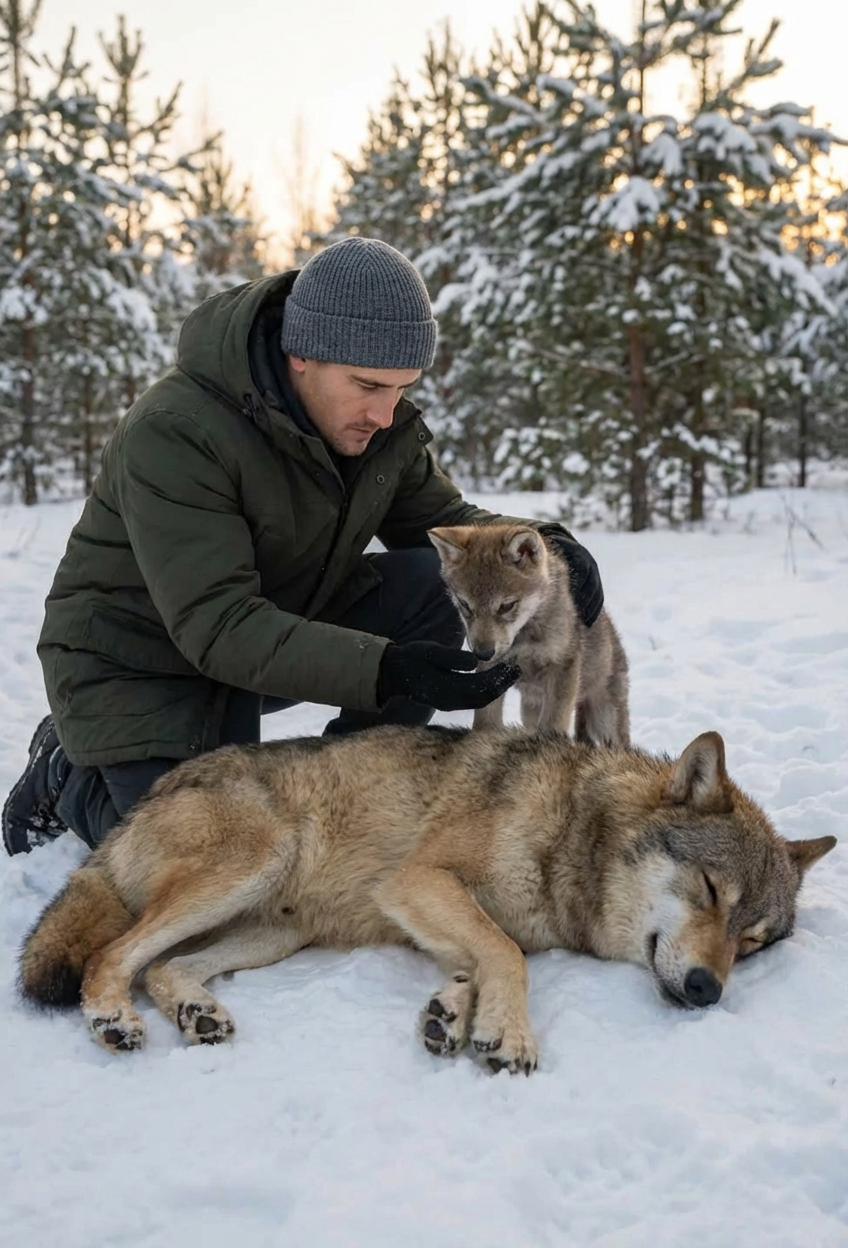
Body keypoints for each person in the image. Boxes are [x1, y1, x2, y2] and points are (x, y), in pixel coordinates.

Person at [3, 237, 603, 856]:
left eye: (401, 388)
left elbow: (451, 525)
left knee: (431, 579)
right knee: (206, 855)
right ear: (301, 355)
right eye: (368, 385)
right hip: (139, 666)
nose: (385, 411)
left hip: (263, 634)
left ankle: (353, 782)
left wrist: (548, 547)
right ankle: (65, 770)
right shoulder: (176, 432)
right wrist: (385, 667)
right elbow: (219, 625)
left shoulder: (372, 427)